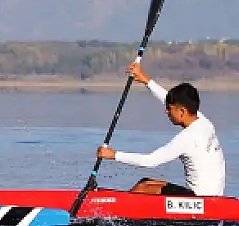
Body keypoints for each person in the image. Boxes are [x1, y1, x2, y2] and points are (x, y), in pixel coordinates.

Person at [97, 62, 226, 197]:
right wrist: (145, 79)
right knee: (145, 182)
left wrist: (114, 155)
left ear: (182, 111)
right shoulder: (203, 122)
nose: (166, 112)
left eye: (169, 109)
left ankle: (117, 209)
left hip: (200, 200)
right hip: (213, 195)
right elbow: (169, 98)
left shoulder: (187, 138)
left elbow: (150, 161)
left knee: (142, 188)